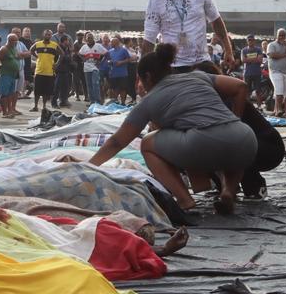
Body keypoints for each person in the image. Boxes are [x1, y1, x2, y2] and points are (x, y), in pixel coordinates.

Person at [88, 43, 257, 215]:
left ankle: (184, 200)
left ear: (147, 77)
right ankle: (228, 191)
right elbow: (240, 87)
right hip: (245, 139)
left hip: (203, 142)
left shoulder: (149, 101)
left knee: (147, 143)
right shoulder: (198, 76)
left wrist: (89, 166)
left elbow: (117, 142)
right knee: (230, 150)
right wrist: (235, 119)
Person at [142, 0, 235, 72]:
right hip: (172, 67)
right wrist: (142, 74)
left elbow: (216, 20)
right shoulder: (155, 1)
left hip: (202, 63)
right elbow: (149, 40)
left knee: (237, 88)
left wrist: (228, 50)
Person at [265, 29, 286, 119]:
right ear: (277, 36)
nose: (282, 37)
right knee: (279, 90)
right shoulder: (272, 45)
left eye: (283, 35)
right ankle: (279, 110)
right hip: (276, 71)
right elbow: (272, 55)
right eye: (280, 35)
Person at [30, 29, 61, 112]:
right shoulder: (37, 44)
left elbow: (62, 54)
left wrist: (57, 63)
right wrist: (37, 56)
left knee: (46, 91)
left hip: (49, 72)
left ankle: (44, 106)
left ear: (51, 36)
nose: (48, 36)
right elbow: (31, 50)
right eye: (46, 34)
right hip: (39, 71)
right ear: (43, 35)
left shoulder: (54, 45)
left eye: (49, 35)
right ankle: (35, 106)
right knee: (37, 90)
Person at [0, 34, 23, 118]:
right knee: (4, 94)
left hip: (13, 75)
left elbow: (18, 57)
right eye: (13, 40)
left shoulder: (14, 49)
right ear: (9, 40)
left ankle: (10, 110)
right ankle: (4, 112)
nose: (15, 42)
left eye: (16, 40)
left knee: (11, 93)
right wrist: (0, 71)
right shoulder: (3, 49)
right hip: (5, 74)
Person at [78, 32, 106, 105]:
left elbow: (106, 53)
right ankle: (92, 101)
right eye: (88, 37)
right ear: (86, 39)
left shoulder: (98, 46)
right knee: (89, 85)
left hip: (95, 67)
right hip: (87, 67)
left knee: (95, 83)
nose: (89, 39)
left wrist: (100, 61)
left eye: (90, 37)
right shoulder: (84, 47)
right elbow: (79, 54)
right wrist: (83, 59)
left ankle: (98, 101)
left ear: (93, 38)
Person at [107, 35, 134, 106]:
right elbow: (108, 60)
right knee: (115, 88)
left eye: (111, 42)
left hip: (122, 73)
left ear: (116, 43)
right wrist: (109, 62)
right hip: (113, 73)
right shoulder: (110, 51)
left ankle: (122, 103)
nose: (110, 44)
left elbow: (129, 59)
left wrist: (121, 62)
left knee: (123, 88)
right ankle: (116, 102)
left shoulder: (123, 50)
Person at [241, 35, 265, 106]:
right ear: (247, 41)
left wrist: (248, 60)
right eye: (249, 40)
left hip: (257, 73)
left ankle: (259, 107)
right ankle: (248, 107)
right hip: (247, 73)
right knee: (247, 92)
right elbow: (243, 60)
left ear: (254, 41)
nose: (250, 41)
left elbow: (260, 60)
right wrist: (255, 59)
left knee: (258, 91)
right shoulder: (244, 50)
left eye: (252, 40)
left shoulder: (258, 49)